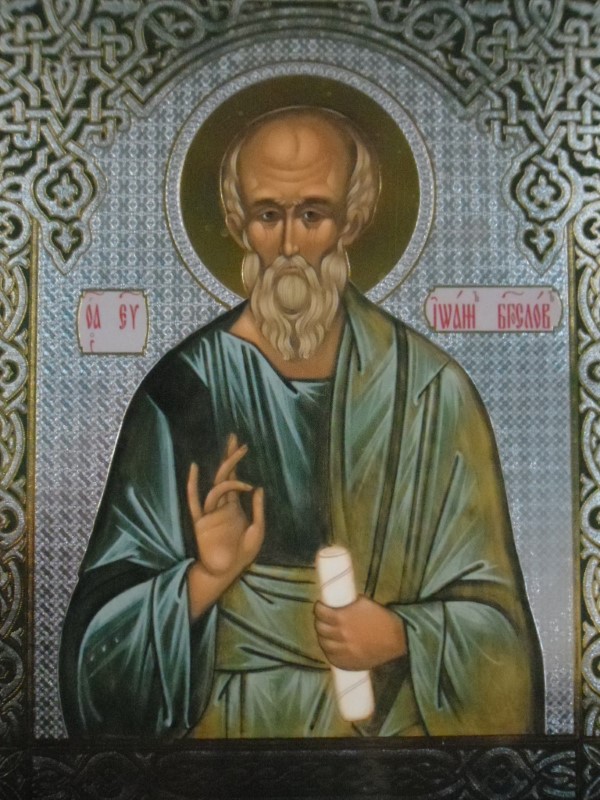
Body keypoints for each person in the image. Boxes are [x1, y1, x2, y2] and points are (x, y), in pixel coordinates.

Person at [60, 107, 544, 739]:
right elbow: (96, 658)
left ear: (354, 219)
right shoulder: (180, 392)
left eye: (313, 214)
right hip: (221, 745)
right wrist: (205, 579)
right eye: (268, 215)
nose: (290, 245)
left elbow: (501, 635)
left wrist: (401, 634)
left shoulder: (428, 391)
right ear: (236, 221)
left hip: (390, 748)